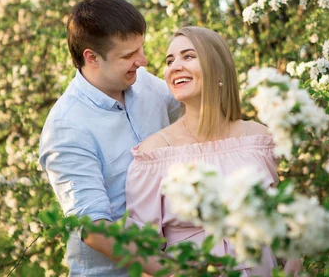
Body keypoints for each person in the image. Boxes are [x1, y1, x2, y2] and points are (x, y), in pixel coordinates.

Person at [126, 26, 301, 276]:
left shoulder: (258, 139)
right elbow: (143, 251)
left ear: (218, 69)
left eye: (188, 56)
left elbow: (280, 226)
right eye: (170, 60)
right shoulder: (153, 154)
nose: (175, 66)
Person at [39, 0, 181, 276]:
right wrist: (177, 273)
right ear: (92, 58)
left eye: (141, 48)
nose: (142, 61)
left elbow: (195, 127)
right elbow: (94, 229)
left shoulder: (148, 85)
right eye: (128, 55)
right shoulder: (67, 127)